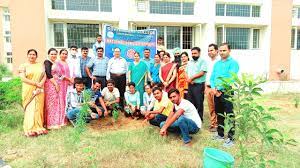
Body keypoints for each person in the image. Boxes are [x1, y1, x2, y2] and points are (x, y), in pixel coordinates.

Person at [210, 43, 239, 147]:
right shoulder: (217, 64)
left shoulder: (233, 63)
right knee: (219, 113)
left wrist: (220, 89)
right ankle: (220, 134)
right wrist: (213, 88)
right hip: (216, 92)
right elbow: (212, 77)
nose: (222, 52)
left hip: (226, 92)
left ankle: (231, 138)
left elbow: (231, 78)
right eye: (220, 51)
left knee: (230, 115)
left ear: (229, 51)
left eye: (224, 50)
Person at [19, 49, 48, 137]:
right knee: (30, 108)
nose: (32, 56)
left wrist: (40, 84)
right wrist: (36, 83)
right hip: (29, 89)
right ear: (27, 55)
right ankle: (29, 128)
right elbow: (23, 78)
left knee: (38, 108)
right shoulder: (23, 66)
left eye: (34, 54)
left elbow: (45, 76)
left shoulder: (40, 65)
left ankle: (39, 127)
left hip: (39, 89)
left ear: (36, 56)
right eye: (30, 54)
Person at [44, 48, 68, 129]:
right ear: (48, 54)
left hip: (58, 84)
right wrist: (55, 84)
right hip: (50, 84)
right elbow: (48, 74)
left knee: (57, 103)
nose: (53, 55)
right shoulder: (47, 62)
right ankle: (51, 123)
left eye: (55, 54)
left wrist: (65, 79)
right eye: (52, 54)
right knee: (51, 103)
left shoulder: (56, 63)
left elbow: (59, 74)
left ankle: (58, 121)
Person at [186, 47, 207, 121]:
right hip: (190, 85)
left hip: (199, 85)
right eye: (192, 53)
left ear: (199, 53)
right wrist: (189, 80)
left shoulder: (203, 61)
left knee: (199, 102)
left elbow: (202, 72)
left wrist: (191, 78)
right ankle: (192, 118)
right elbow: (186, 72)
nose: (193, 55)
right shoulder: (189, 62)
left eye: (195, 53)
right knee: (190, 102)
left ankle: (199, 119)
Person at [205, 44, 220, 132]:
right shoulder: (208, 62)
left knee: (216, 107)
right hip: (208, 87)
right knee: (211, 107)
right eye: (209, 50)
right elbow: (206, 76)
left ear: (216, 51)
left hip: (215, 87)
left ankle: (217, 124)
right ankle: (213, 123)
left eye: (212, 50)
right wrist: (205, 87)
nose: (210, 52)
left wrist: (216, 88)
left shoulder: (219, 62)